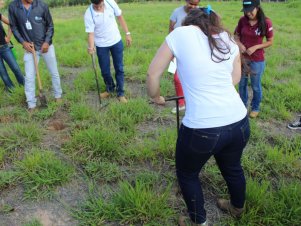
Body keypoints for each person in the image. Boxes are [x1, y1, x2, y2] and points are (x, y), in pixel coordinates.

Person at [147, 7, 250, 226]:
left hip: (202, 129)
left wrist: (156, 97)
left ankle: (198, 221)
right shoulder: (227, 39)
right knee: (233, 167)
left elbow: (152, 74)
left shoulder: (180, 34)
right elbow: (236, 77)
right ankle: (237, 207)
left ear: (188, 22)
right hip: (239, 122)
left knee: (187, 174)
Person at [8, 0, 63, 111]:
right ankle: (31, 105)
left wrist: (47, 42)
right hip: (30, 48)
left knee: (54, 72)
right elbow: (14, 27)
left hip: (46, 47)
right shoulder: (13, 7)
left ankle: (58, 96)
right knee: (29, 77)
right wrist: (23, 42)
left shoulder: (42, 5)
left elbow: (50, 26)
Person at [84, 0, 132, 104]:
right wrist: (91, 47)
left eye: (99, 5)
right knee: (105, 71)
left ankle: (121, 93)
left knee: (119, 68)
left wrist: (127, 33)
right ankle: (110, 89)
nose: (97, 7)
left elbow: (120, 17)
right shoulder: (89, 13)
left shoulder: (110, 3)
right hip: (101, 45)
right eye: (95, 5)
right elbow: (90, 33)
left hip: (116, 41)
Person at [235, 0, 273, 118]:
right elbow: (236, 36)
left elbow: (270, 41)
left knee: (255, 85)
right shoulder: (242, 21)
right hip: (243, 59)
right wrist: (240, 44)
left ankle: (255, 107)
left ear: (257, 7)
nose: (248, 14)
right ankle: (242, 105)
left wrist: (256, 46)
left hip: (257, 59)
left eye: (251, 10)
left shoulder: (266, 22)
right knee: (242, 84)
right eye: (246, 11)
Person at [169, 0, 200, 114]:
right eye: (190, 3)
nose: (193, 6)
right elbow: (171, 30)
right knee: (177, 78)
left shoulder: (201, 13)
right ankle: (181, 104)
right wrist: (171, 51)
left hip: (196, 52)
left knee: (195, 78)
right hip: (179, 51)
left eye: (195, 4)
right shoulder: (176, 12)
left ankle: (195, 103)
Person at [0, 14, 24, 91]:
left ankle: (24, 86)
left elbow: (11, 24)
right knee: (2, 73)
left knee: (15, 68)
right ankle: (11, 90)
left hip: (4, 47)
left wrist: (8, 37)